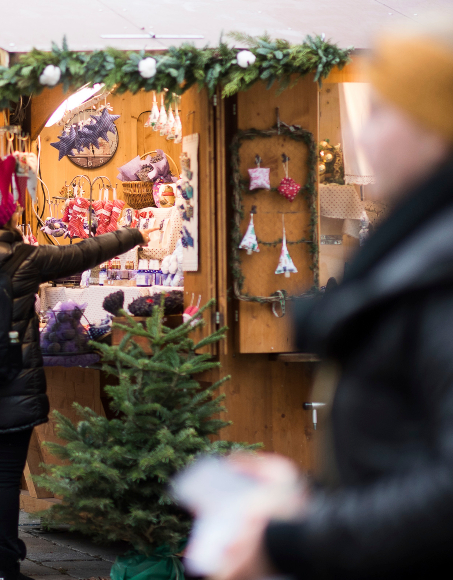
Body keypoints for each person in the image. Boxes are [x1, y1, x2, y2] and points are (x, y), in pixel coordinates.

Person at [214, 16, 453, 580]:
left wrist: (293, 540)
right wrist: (306, 495)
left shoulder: (437, 274)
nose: (365, 139)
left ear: (435, 127)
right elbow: (403, 453)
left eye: (383, 113)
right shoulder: (413, 255)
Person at [0, 210, 148, 580]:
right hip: (14, 387)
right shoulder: (26, 258)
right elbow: (83, 252)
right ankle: (6, 570)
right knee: (5, 482)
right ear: (7, 219)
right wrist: (133, 234)